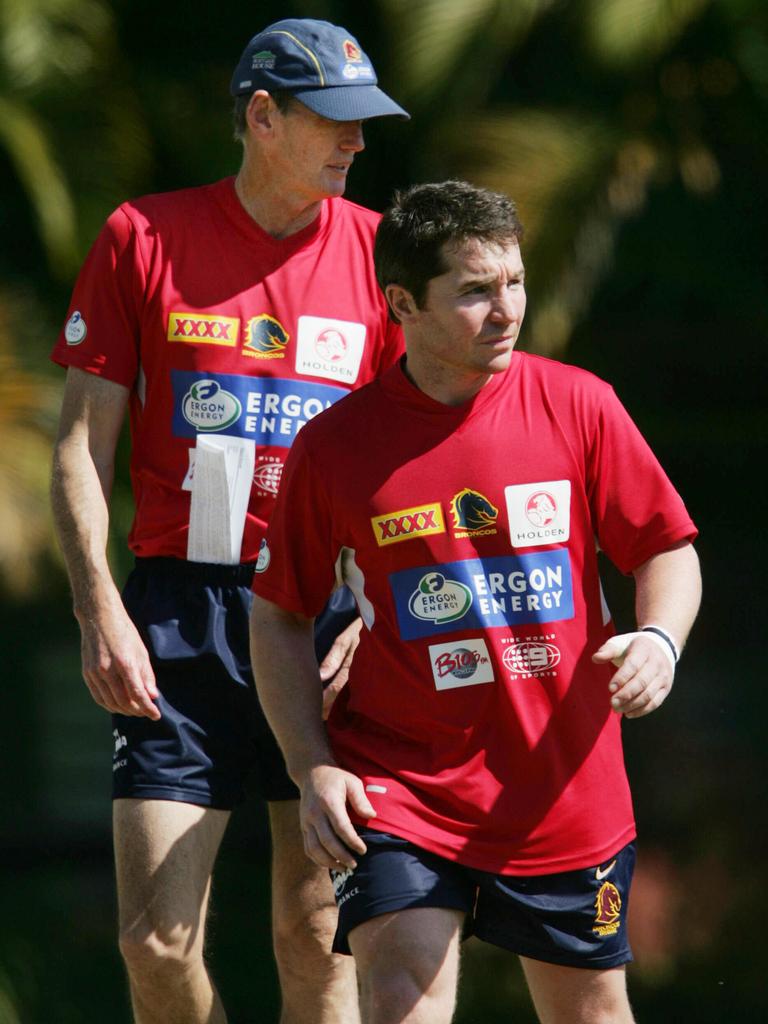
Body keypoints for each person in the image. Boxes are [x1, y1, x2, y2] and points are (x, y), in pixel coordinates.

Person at [249, 180, 702, 1024]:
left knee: (594, 1015)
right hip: (401, 785)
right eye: (475, 291)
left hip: (562, 784)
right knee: (397, 998)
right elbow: (277, 612)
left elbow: (666, 549)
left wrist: (659, 642)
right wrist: (311, 765)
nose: (507, 310)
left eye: (516, 283)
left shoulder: (580, 404)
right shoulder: (335, 448)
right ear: (400, 304)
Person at [50, 18, 409, 1024]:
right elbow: (79, 444)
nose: (357, 143)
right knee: (153, 941)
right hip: (177, 615)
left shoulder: (385, 254)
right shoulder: (141, 236)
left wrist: (375, 616)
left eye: (366, 124)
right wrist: (96, 610)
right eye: (335, 122)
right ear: (262, 117)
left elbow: (409, 470)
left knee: (314, 940)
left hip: (322, 620)